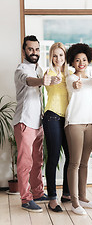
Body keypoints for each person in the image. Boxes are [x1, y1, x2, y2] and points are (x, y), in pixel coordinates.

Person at [13, 35, 51, 212]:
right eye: (30, 49)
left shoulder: (39, 68)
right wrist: (42, 81)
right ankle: (26, 199)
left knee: (37, 161)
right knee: (25, 162)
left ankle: (37, 192)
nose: (34, 53)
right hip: (24, 122)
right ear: (24, 51)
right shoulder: (21, 70)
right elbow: (29, 82)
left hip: (38, 123)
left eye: (36, 49)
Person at [65, 43, 92, 215]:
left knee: (85, 163)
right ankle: (74, 202)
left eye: (84, 60)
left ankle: (84, 198)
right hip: (75, 124)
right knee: (75, 163)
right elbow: (75, 87)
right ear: (72, 62)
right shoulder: (71, 79)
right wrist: (77, 86)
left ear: (88, 60)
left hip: (90, 124)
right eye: (77, 60)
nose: (81, 63)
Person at [43, 42, 71, 213]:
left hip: (68, 119)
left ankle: (67, 193)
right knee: (53, 157)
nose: (58, 58)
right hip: (52, 116)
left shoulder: (70, 74)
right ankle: (52, 198)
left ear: (65, 56)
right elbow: (48, 83)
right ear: (51, 57)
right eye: (55, 55)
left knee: (70, 156)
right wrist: (53, 80)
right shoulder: (49, 73)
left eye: (61, 55)